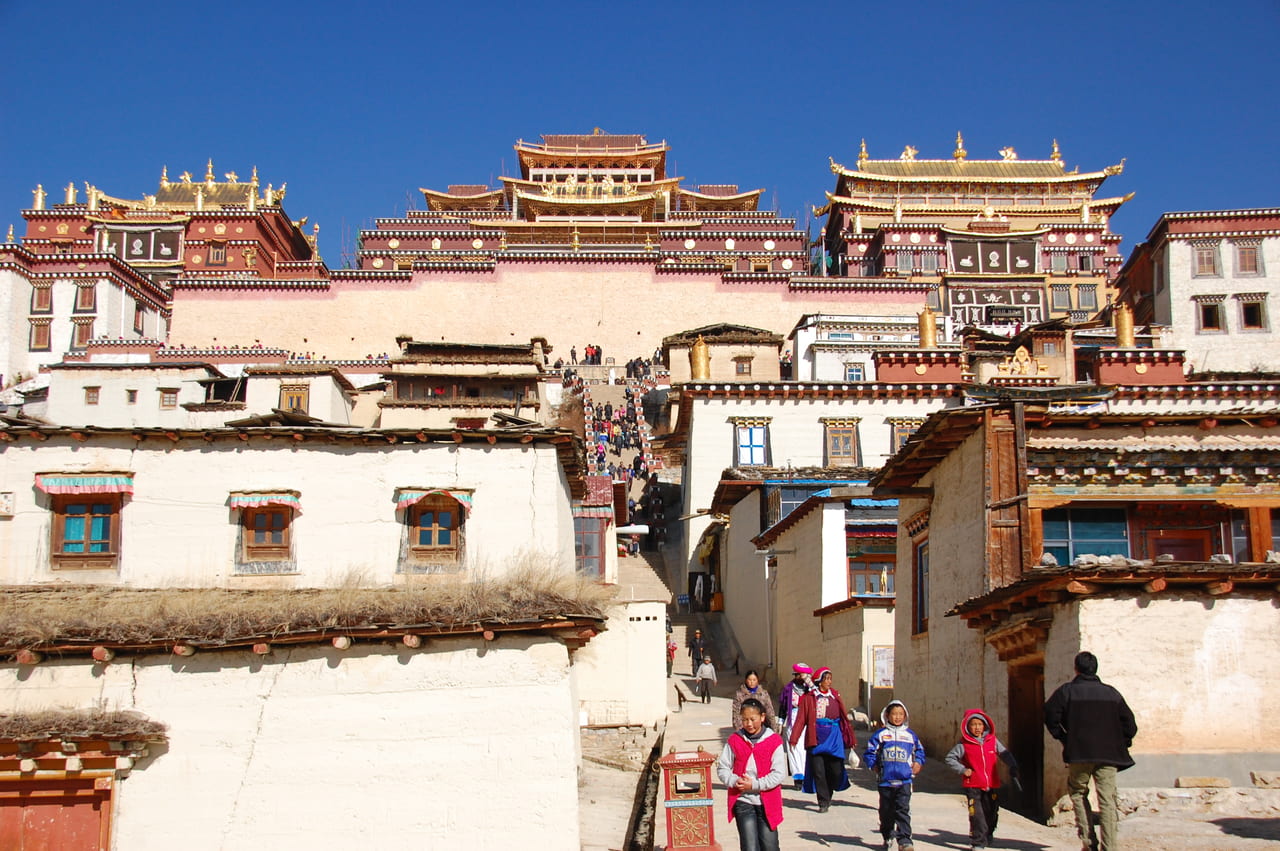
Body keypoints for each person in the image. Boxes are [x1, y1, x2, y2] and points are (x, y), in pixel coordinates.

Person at [1044, 651, 1137, 851]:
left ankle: (1088, 842)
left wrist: (1064, 738)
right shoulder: (1111, 693)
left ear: (1076, 669)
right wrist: (1121, 742)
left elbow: (1050, 715)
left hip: (1079, 754)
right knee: (1108, 801)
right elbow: (1130, 725)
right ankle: (1110, 847)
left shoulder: (1066, 692)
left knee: (1078, 793)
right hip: (1109, 755)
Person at [717, 698, 786, 851]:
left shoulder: (774, 741)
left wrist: (755, 784)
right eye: (744, 720)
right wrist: (735, 781)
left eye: (752, 719)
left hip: (767, 801)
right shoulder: (735, 740)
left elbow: (780, 773)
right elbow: (723, 768)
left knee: (770, 846)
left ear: (762, 717)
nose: (748, 724)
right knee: (750, 847)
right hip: (743, 801)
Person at [945, 709, 1019, 851]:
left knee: (991, 812)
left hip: (991, 784)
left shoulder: (992, 741)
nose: (977, 727)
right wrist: (963, 770)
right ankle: (977, 842)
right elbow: (950, 758)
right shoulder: (964, 744)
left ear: (985, 726)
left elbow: (1005, 754)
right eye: (973, 724)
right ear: (967, 726)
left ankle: (988, 833)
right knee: (977, 815)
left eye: (980, 724)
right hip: (973, 785)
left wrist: (1013, 765)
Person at [787, 667, 855, 813]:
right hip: (815, 738)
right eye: (826, 679)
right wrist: (794, 739)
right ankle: (823, 801)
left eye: (830, 678)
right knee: (819, 771)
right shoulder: (809, 698)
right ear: (819, 681)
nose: (829, 682)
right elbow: (801, 720)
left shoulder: (835, 696)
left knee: (835, 770)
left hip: (834, 737)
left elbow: (844, 718)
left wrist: (850, 738)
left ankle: (829, 792)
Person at [863, 700, 925, 851]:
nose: (897, 717)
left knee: (902, 810)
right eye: (894, 714)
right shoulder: (881, 735)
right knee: (886, 811)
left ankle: (904, 841)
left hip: (904, 781)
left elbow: (920, 752)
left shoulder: (910, 736)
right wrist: (874, 766)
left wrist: (918, 764)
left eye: (900, 714)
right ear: (887, 716)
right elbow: (869, 752)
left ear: (905, 716)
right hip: (885, 781)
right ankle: (887, 834)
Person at [778, 663, 814, 790]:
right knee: (793, 747)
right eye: (798, 675)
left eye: (803, 675)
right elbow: (782, 707)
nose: (800, 677)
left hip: (806, 720)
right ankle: (798, 778)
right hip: (792, 719)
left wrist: (808, 682)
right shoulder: (788, 689)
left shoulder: (809, 688)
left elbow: (817, 695)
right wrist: (780, 723)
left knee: (804, 748)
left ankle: (806, 775)